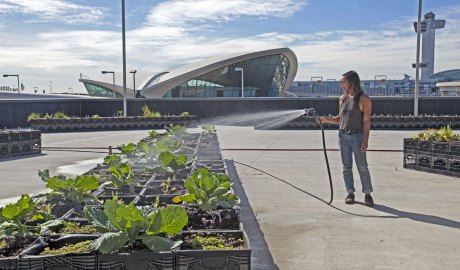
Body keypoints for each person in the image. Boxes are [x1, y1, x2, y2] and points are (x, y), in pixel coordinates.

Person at [316, 70, 374, 206]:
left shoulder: (364, 99)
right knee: (346, 167)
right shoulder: (342, 99)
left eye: (344, 81)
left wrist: (366, 140)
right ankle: (350, 193)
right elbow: (340, 119)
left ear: (352, 82)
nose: (341, 84)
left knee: (362, 166)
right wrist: (325, 120)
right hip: (343, 136)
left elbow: (366, 121)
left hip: (358, 136)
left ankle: (367, 193)